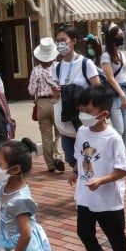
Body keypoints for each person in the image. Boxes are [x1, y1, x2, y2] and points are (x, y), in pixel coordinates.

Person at [68, 86, 126, 251]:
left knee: (115, 235)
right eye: (81, 110)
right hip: (85, 195)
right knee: (84, 232)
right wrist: (75, 172)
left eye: (88, 111)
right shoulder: (82, 131)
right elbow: (80, 156)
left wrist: (101, 181)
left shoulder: (113, 138)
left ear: (104, 114)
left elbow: (123, 170)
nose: (83, 115)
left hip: (108, 197)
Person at [52, 25, 103, 169]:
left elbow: (98, 90)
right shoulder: (57, 67)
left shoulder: (86, 64)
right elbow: (57, 96)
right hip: (67, 116)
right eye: (57, 41)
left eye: (63, 40)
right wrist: (56, 92)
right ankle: (81, 172)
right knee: (70, 156)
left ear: (74, 41)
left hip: (84, 118)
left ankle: (85, 176)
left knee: (87, 155)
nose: (60, 44)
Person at [100, 25, 126, 169]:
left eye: (122, 34)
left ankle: (125, 157)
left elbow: (124, 75)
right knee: (119, 129)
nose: (122, 37)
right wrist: (121, 94)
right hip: (115, 95)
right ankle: (114, 155)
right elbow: (110, 78)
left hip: (125, 91)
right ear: (111, 37)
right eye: (119, 35)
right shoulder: (106, 56)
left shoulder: (121, 54)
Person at [28, 37, 64, 172]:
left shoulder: (36, 70)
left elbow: (31, 91)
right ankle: (59, 157)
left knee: (46, 136)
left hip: (42, 103)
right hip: (57, 101)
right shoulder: (59, 67)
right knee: (60, 132)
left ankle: (50, 164)